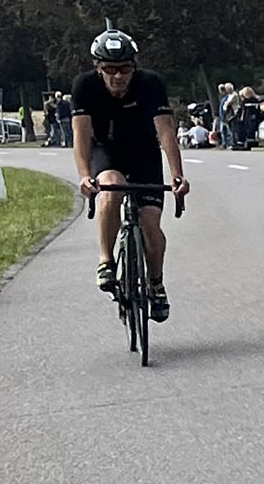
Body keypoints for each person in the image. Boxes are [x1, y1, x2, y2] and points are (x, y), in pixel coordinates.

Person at [72, 29, 190, 322]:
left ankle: (156, 283)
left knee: (150, 223)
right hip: (106, 151)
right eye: (110, 69)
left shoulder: (149, 84)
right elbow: (81, 136)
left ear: (133, 67)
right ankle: (106, 260)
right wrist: (85, 176)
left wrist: (177, 175)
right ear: (98, 68)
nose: (118, 76)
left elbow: (165, 131)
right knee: (112, 185)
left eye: (124, 68)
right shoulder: (85, 86)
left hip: (143, 153)